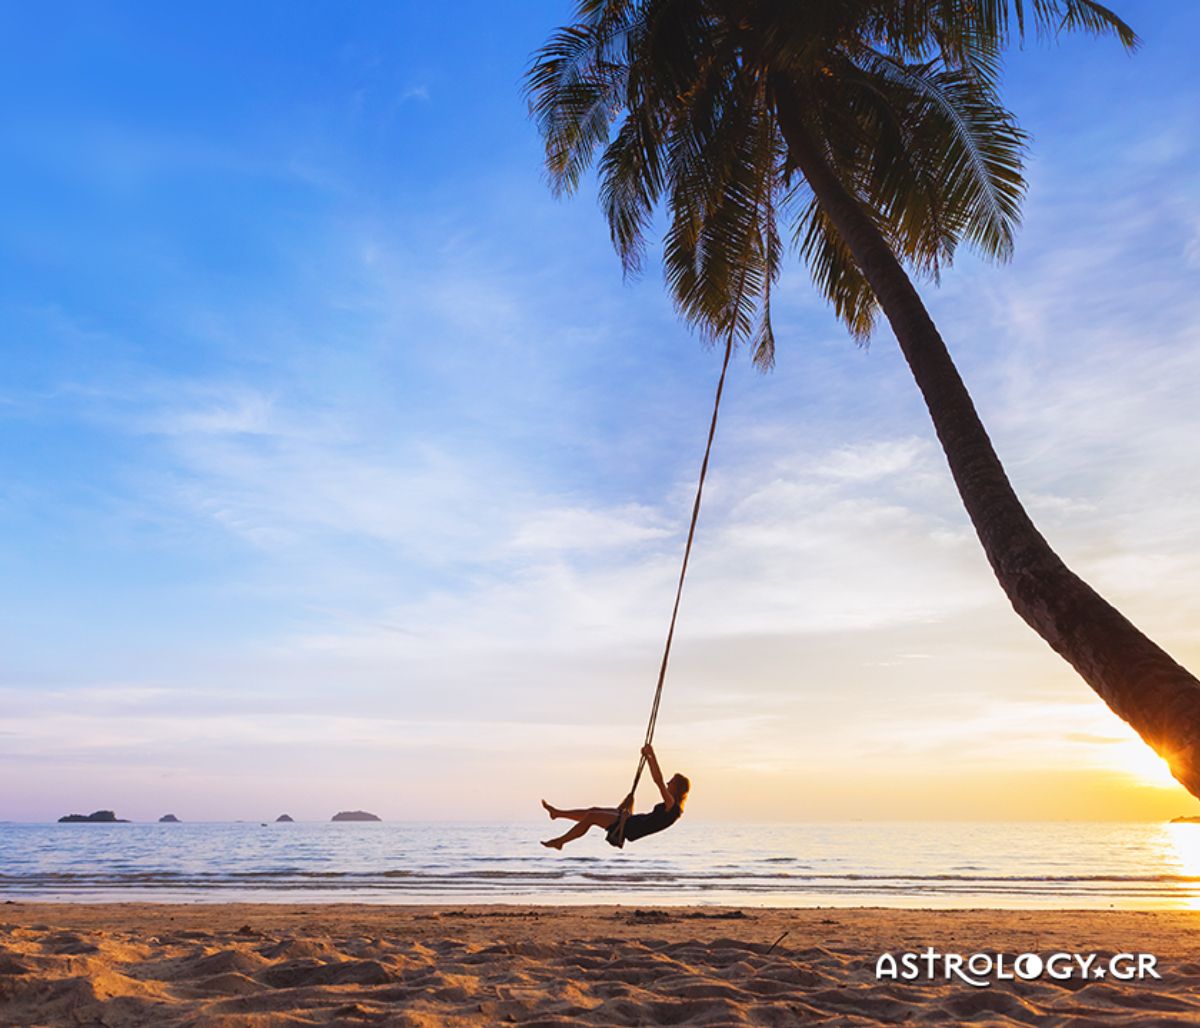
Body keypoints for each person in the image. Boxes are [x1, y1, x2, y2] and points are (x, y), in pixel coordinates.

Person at [540, 744, 690, 850]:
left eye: (672, 782)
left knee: (592, 816)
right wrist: (630, 805)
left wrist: (651, 755)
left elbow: (658, 781)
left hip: (630, 827)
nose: (668, 783)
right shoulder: (673, 808)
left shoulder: (673, 807)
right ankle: (557, 813)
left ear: (677, 788)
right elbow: (648, 820)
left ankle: (560, 842)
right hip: (631, 820)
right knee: (593, 811)